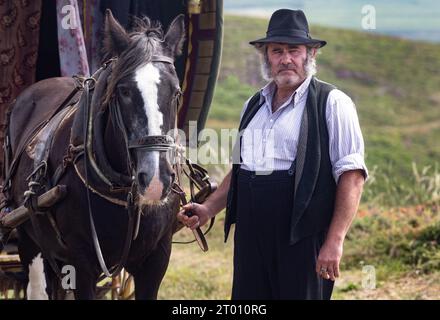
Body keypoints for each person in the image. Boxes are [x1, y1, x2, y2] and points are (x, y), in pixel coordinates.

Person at [177, 9, 368, 300]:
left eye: (294, 50)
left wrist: (334, 241)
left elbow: (352, 176)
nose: (286, 58)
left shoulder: (333, 103)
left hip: (302, 234)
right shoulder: (253, 105)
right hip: (251, 233)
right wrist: (208, 209)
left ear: (311, 54)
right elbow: (240, 171)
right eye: (277, 51)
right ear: (266, 56)